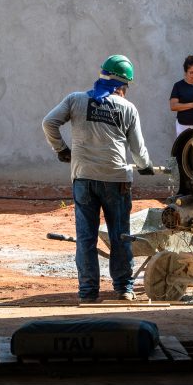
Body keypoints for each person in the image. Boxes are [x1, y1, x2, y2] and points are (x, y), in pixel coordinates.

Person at [42, 54, 154, 303]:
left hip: (83, 179)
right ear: (122, 86)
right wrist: (145, 166)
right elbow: (138, 151)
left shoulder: (76, 100)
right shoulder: (127, 108)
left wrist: (61, 149)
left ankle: (88, 293)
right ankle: (124, 288)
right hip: (117, 180)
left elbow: (49, 123)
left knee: (86, 238)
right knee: (120, 235)